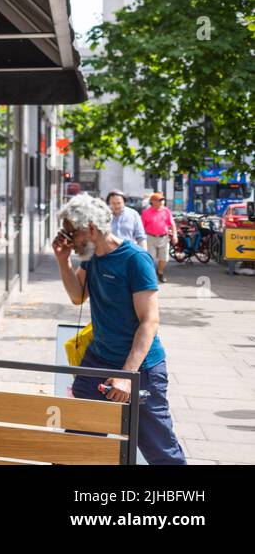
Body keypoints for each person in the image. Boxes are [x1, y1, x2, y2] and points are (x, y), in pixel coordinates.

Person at [54, 193, 186, 464]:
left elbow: (149, 320)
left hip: (141, 369)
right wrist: (62, 261)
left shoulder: (135, 259)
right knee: (80, 442)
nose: (67, 239)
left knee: (160, 450)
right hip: (98, 361)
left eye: (71, 232)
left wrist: (127, 375)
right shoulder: (91, 258)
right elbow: (78, 296)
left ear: (91, 229)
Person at [140, 191, 176, 282]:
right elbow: (141, 227)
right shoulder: (146, 212)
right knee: (150, 258)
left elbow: (172, 224)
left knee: (164, 259)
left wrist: (175, 235)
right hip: (150, 237)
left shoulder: (166, 211)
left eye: (162, 200)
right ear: (153, 201)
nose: (161, 202)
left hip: (164, 237)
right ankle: (151, 275)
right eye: (159, 200)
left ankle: (160, 272)